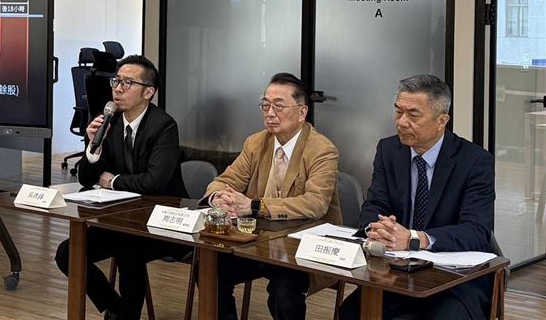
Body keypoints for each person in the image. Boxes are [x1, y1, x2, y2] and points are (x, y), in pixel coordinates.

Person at [340, 74, 495, 320]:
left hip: (455, 278)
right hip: (397, 270)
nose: (401, 122)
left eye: (413, 115)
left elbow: (476, 231)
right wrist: (378, 229)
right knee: (350, 313)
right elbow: (375, 205)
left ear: (442, 120)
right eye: (398, 112)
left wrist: (415, 239)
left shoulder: (475, 161)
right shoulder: (389, 150)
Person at [54, 54, 187, 320]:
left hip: (162, 223)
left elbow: (154, 182)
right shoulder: (109, 120)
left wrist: (111, 180)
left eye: (128, 83)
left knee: (129, 249)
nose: (118, 88)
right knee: (68, 253)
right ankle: (114, 307)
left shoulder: (164, 126)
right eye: (116, 81)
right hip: (121, 220)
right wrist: (93, 146)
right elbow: (85, 178)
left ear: (148, 92)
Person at [202, 72, 341, 320]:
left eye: (278, 106)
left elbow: (316, 203)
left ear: (302, 112)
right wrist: (218, 198)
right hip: (258, 242)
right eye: (265, 105)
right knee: (208, 268)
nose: (270, 113)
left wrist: (255, 206)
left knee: (282, 291)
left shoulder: (322, 149)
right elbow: (225, 180)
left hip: (301, 246)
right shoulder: (256, 142)